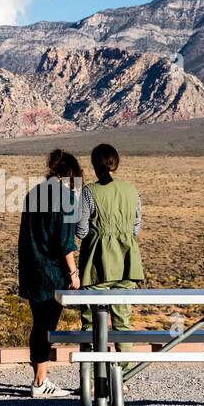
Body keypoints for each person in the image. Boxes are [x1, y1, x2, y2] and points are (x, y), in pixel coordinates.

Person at [17, 149, 83, 398]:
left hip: (31, 267)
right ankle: (39, 382)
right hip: (52, 272)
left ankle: (39, 378)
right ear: (69, 174)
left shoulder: (33, 193)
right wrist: (74, 272)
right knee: (47, 326)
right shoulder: (64, 197)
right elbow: (65, 243)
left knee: (39, 324)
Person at [76, 143, 143, 362]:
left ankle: (94, 380)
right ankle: (122, 378)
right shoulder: (132, 190)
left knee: (91, 323)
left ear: (94, 166)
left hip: (97, 264)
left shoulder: (89, 192)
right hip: (126, 262)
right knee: (122, 321)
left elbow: (82, 230)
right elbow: (135, 227)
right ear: (117, 164)